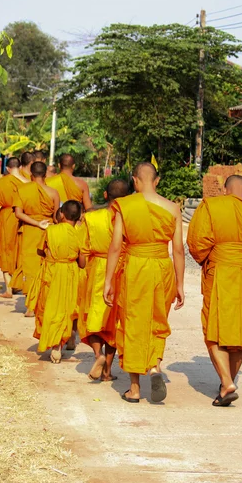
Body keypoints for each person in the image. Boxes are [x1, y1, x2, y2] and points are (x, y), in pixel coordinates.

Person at [187, 175, 242, 407]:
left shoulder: (211, 206)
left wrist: (218, 256)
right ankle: (227, 384)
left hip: (222, 270)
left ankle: (226, 382)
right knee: (239, 328)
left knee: (214, 326)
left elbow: (197, 244)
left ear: (225, 189)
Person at [104, 163, 185, 403]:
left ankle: (135, 388)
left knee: (132, 322)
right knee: (157, 319)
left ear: (135, 181)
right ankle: (154, 366)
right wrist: (180, 284)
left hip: (136, 266)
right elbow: (178, 250)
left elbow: (116, 246)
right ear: (156, 181)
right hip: (162, 266)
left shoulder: (125, 206)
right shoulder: (173, 208)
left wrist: (108, 280)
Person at [79, 178, 130, 381]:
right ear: (127, 199)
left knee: (93, 316)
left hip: (97, 268)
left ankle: (98, 355)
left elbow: (82, 251)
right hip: (122, 269)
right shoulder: (129, 217)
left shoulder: (91, 218)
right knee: (114, 320)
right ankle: (108, 370)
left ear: (106, 195)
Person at [26, 200, 86, 363]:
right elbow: (82, 263)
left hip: (51, 273)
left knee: (51, 308)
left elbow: (40, 250)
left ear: (61, 214)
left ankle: (56, 347)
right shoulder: (81, 233)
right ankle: (70, 338)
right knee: (68, 308)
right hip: (71, 274)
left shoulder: (51, 230)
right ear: (79, 216)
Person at [10, 161, 60, 314]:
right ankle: (40, 302)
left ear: (31, 174)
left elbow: (18, 213)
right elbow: (57, 216)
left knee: (30, 266)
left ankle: (30, 305)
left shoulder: (22, 190)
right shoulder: (53, 192)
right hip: (48, 230)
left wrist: (37, 223)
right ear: (45, 175)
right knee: (44, 266)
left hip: (31, 230)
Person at [0, 157, 28, 298]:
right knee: (20, 250)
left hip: (7, 218)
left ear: (7, 168)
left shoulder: (2, 183)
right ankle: (19, 285)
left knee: (6, 249)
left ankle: (9, 289)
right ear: (20, 166)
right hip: (23, 218)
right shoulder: (27, 182)